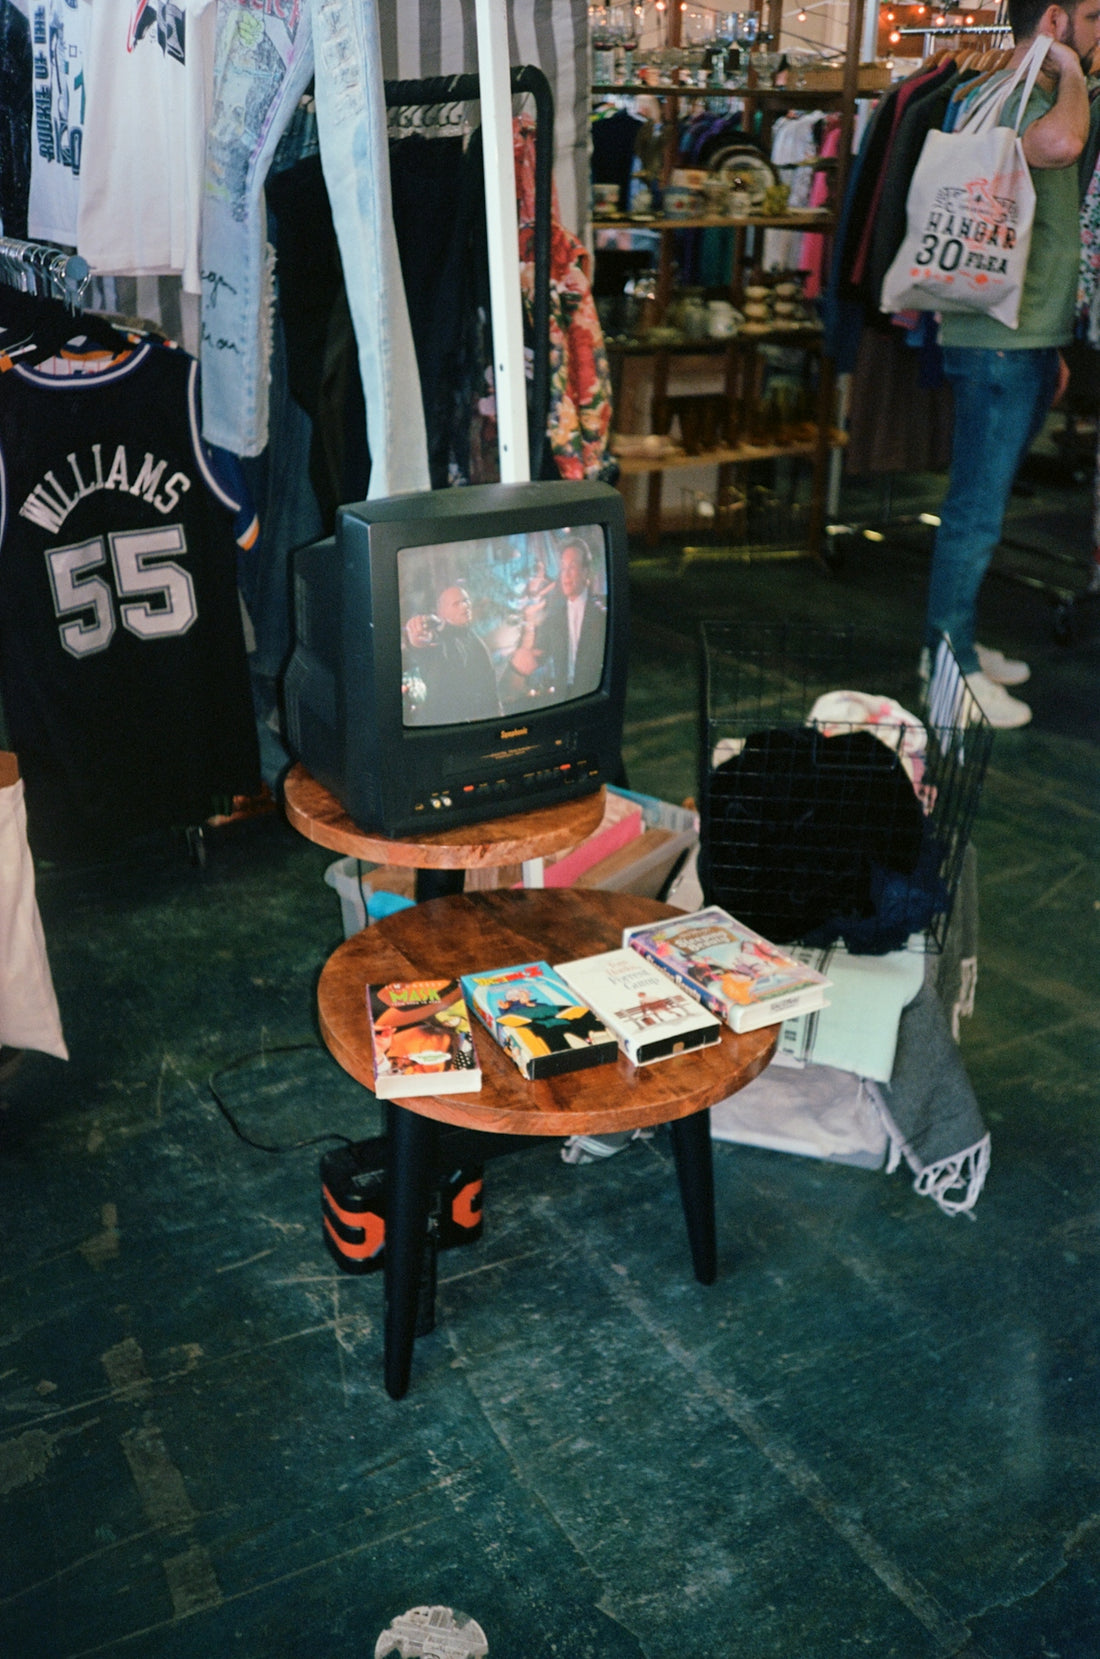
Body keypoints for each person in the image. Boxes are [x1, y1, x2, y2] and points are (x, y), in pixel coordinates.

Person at [923, 0, 1100, 727]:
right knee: (975, 513)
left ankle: (956, 645)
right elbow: (1060, 144)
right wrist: (1067, 67)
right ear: (1054, 20)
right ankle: (947, 669)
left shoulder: (995, 88)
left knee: (981, 509)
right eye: (1091, 17)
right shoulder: (1022, 93)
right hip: (998, 336)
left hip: (1021, 336)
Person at [506, 536, 608, 703]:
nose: (566, 575)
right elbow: (527, 662)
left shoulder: (601, 615)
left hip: (594, 701)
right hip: (563, 699)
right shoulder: (555, 620)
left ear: (585, 572)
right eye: (563, 568)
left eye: (572, 567)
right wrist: (529, 622)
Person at [402, 584, 502, 725]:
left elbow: (490, 689)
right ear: (441, 612)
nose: (464, 606)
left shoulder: (476, 641)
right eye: (456, 604)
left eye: (466, 600)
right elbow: (425, 643)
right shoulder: (440, 635)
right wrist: (417, 638)